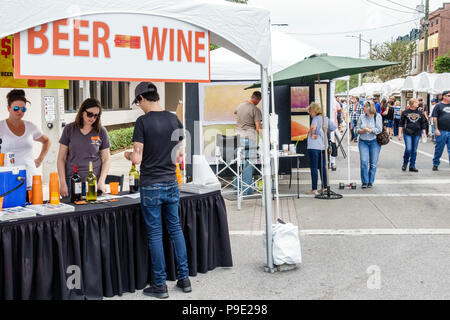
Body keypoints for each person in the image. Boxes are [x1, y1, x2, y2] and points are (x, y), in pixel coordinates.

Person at [124, 82, 191, 299]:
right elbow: (181, 148)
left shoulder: (142, 122)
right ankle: (184, 278)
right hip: (172, 182)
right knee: (175, 229)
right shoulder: (173, 118)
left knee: (155, 233)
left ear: (142, 98)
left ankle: (160, 285)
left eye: (137, 102)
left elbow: (137, 158)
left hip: (151, 183)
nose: (138, 106)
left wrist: (128, 156)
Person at [58, 98, 111, 198]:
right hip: (72, 181)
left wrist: (101, 181)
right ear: (82, 112)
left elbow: (106, 159)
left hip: (92, 182)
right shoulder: (69, 129)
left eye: (96, 116)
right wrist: (63, 183)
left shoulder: (101, 131)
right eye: (90, 114)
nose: (92, 118)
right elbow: (61, 158)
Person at [0, 89, 51, 191]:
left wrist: (39, 160)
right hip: (8, 176)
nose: (19, 112)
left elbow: (47, 141)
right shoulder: (1, 127)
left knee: (32, 206)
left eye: (23, 109)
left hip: (29, 176)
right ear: (8, 108)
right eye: (16, 108)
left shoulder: (30, 126)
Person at [234, 91, 262, 196]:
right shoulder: (255, 110)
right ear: (257, 99)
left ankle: (236, 188)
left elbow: (235, 112)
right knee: (248, 165)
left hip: (237, 137)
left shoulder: (241, 105)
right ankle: (247, 190)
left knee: (239, 164)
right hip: (249, 138)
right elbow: (258, 128)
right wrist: (266, 139)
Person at [306, 102, 337, 195]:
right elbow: (334, 127)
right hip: (323, 146)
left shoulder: (315, 119)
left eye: (310, 111)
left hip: (313, 146)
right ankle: (324, 187)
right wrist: (325, 131)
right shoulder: (325, 119)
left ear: (315, 111)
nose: (310, 114)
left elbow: (313, 127)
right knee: (323, 167)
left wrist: (312, 134)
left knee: (314, 168)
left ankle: (314, 189)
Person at [357, 100, 383, 189]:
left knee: (373, 163)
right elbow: (356, 130)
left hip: (374, 142)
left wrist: (370, 130)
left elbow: (379, 129)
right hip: (363, 141)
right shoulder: (361, 117)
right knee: (364, 161)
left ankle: (370, 181)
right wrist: (363, 130)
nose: (362, 107)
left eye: (364, 106)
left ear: (369, 107)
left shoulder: (378, 116)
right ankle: (364, 181)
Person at [398, 98, 428, 173]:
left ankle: (412, 166)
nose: (418, 104)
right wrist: (399, 134)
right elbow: (401, 123)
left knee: (414, 150)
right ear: (412, 103)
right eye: (416, 102)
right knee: (408, 149)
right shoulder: (405, 112)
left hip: (417, 133)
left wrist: (424, 133)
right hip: (407, 132)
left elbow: (423, 123)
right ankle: (405, 163)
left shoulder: (420, 112)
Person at [432, 90, 450, 171]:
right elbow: (434, 118)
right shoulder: (438, 106)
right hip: (441, 131)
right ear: (444, 96)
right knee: (439, 149)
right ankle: (435, 164)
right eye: (449, 95)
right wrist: (436, 129)